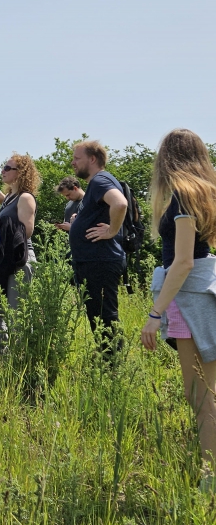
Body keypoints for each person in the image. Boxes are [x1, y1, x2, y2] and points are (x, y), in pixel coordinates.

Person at [139, 128, 216, 493]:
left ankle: (210, 480)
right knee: (207, 392)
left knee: (200, 396)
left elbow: (183, 262)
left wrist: (156, 314)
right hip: (204, 295)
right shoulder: (204, 192)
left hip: (189, 300)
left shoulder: (183, 197)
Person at [69, 140, 128, 362]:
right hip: (94, 261)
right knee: (98, 317)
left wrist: (112, 230)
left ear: (92, 159)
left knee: (105, 317)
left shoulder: (101, 179)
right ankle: (108, 361)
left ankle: (113, 366)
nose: (73, 162)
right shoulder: (96, 184)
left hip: (100, 261)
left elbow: (120, 204)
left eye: (77, 158)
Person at [0, 153, 39, 353]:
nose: (3, 171)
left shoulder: (25, 198)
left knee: (18, 311)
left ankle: (22, 355)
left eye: (8, 168)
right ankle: (0, 350)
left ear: (21, 173)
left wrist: (0, 223)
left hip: (20, 258)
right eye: (4, 167)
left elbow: (27, 230)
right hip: (4, 257)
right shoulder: (9, 198)